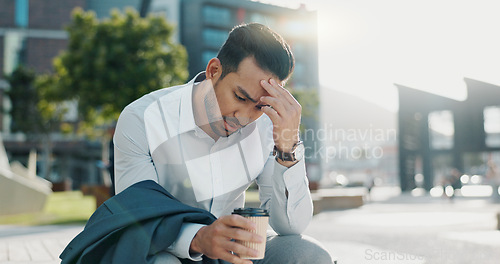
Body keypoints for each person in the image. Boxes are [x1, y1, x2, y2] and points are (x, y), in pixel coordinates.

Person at [113, 23, 333, 264]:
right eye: (240, 97)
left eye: (259, 106)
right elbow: (136, 218)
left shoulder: (268, 127)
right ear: (214, 70)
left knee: (310, 254)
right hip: (164, 248)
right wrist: (198, 239)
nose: (244, 117)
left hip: (233, 253)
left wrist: (288, 147)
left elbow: (291, 227)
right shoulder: (142, 118)